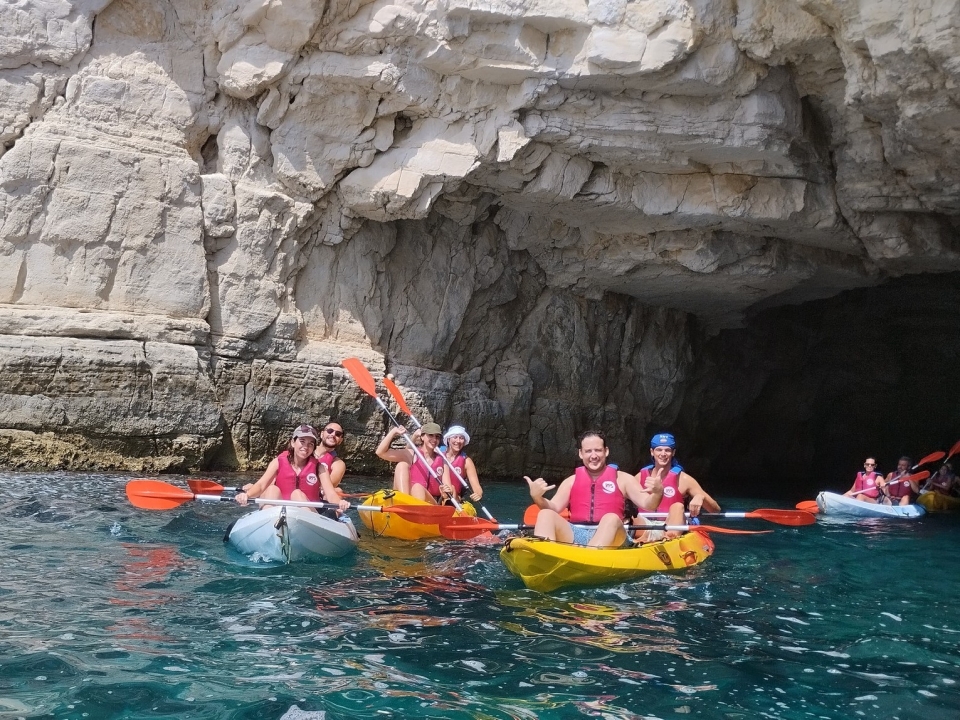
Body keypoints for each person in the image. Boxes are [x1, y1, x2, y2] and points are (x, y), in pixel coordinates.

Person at [525, 430, 663, 548]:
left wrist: (657, 493)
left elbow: (649, 504)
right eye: (588, 451)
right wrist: (537, 497)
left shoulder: (623, 479)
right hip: (578, 533)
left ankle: (587, 557)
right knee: (546, 514)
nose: (593, 456)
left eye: (598, 450)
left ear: (606, 451)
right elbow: (553, 508)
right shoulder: (571, 481)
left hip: (614, 535)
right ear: (581, 453)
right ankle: (545, 556)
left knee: (611, 518)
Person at [235, 425, 349, 514]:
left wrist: (339, 502)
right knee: (272, 489)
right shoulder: (278, 462)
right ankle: (269, 525)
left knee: (297, 494)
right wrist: (247, 495)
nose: (306, 447)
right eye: (302, 441)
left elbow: (330, 493)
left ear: (314, 448)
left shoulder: (319, 467)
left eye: (310, 444)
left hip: (310, 514)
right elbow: (261, 485)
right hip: (279, 511)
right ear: (293, 442)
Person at [634, 433, 721, 540]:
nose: (663, 454)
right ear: (652, 452)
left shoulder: (684, 479)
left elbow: (716, 510)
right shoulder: (639, 477)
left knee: (678, 506)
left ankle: (669, 538)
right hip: (646, 524)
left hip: (672, 525)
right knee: (628, 516)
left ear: (673, 452)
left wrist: (700, 497)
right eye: (659, 450)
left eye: (667, 450)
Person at [376, 422, 454, 505]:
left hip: (430, 503)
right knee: (402, 465)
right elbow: (380, 453)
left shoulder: (443, 461)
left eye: (437, 437)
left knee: (418, 488)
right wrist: (393, 432)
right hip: (409, 499)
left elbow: (448, 491)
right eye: (430, 435)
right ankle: (404, 501)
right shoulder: (411, 454)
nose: (434, 439)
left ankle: (408, 506)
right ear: (422, 437)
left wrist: (445, 493)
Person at [440, 425, 484, 503]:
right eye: (455, 437)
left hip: (454, 497)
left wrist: (478, 494)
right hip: (437, 494)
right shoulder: (437, 454)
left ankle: (449, 505)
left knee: (452, 488)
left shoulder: (467, 461)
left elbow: (477, 488)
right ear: (448, 439)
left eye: (461, 438)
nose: (458, 441)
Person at [315, 420, 347, 497]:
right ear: (322, 434)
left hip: (316, 495)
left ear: (340, 440)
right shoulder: (306, 451)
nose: (333, 435)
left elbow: (327, 488)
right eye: (330, 431)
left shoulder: (338, 464)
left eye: (338, 434)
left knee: (338, 491)